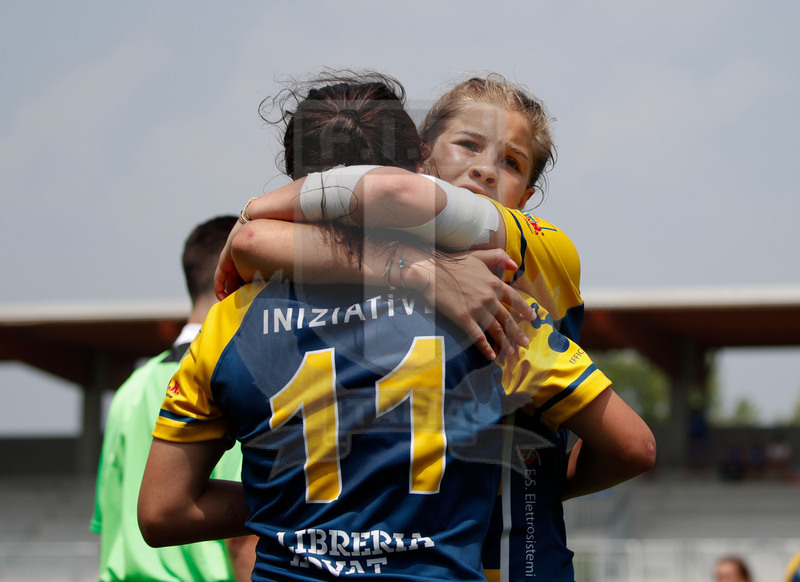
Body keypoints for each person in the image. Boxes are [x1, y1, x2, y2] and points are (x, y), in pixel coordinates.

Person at [138, 74, 655, 581]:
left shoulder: (234, 319)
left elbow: (163, 511)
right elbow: (632, 447)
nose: (486, 171)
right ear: (420, 160)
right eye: (468, 145)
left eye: (511, 162)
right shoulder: (498, 310)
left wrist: (289, 489)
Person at [91, 216, 257, 581]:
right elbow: (245, 542)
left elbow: (112, 522)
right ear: (234, 277)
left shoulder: (129, 391)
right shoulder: (239, 381)